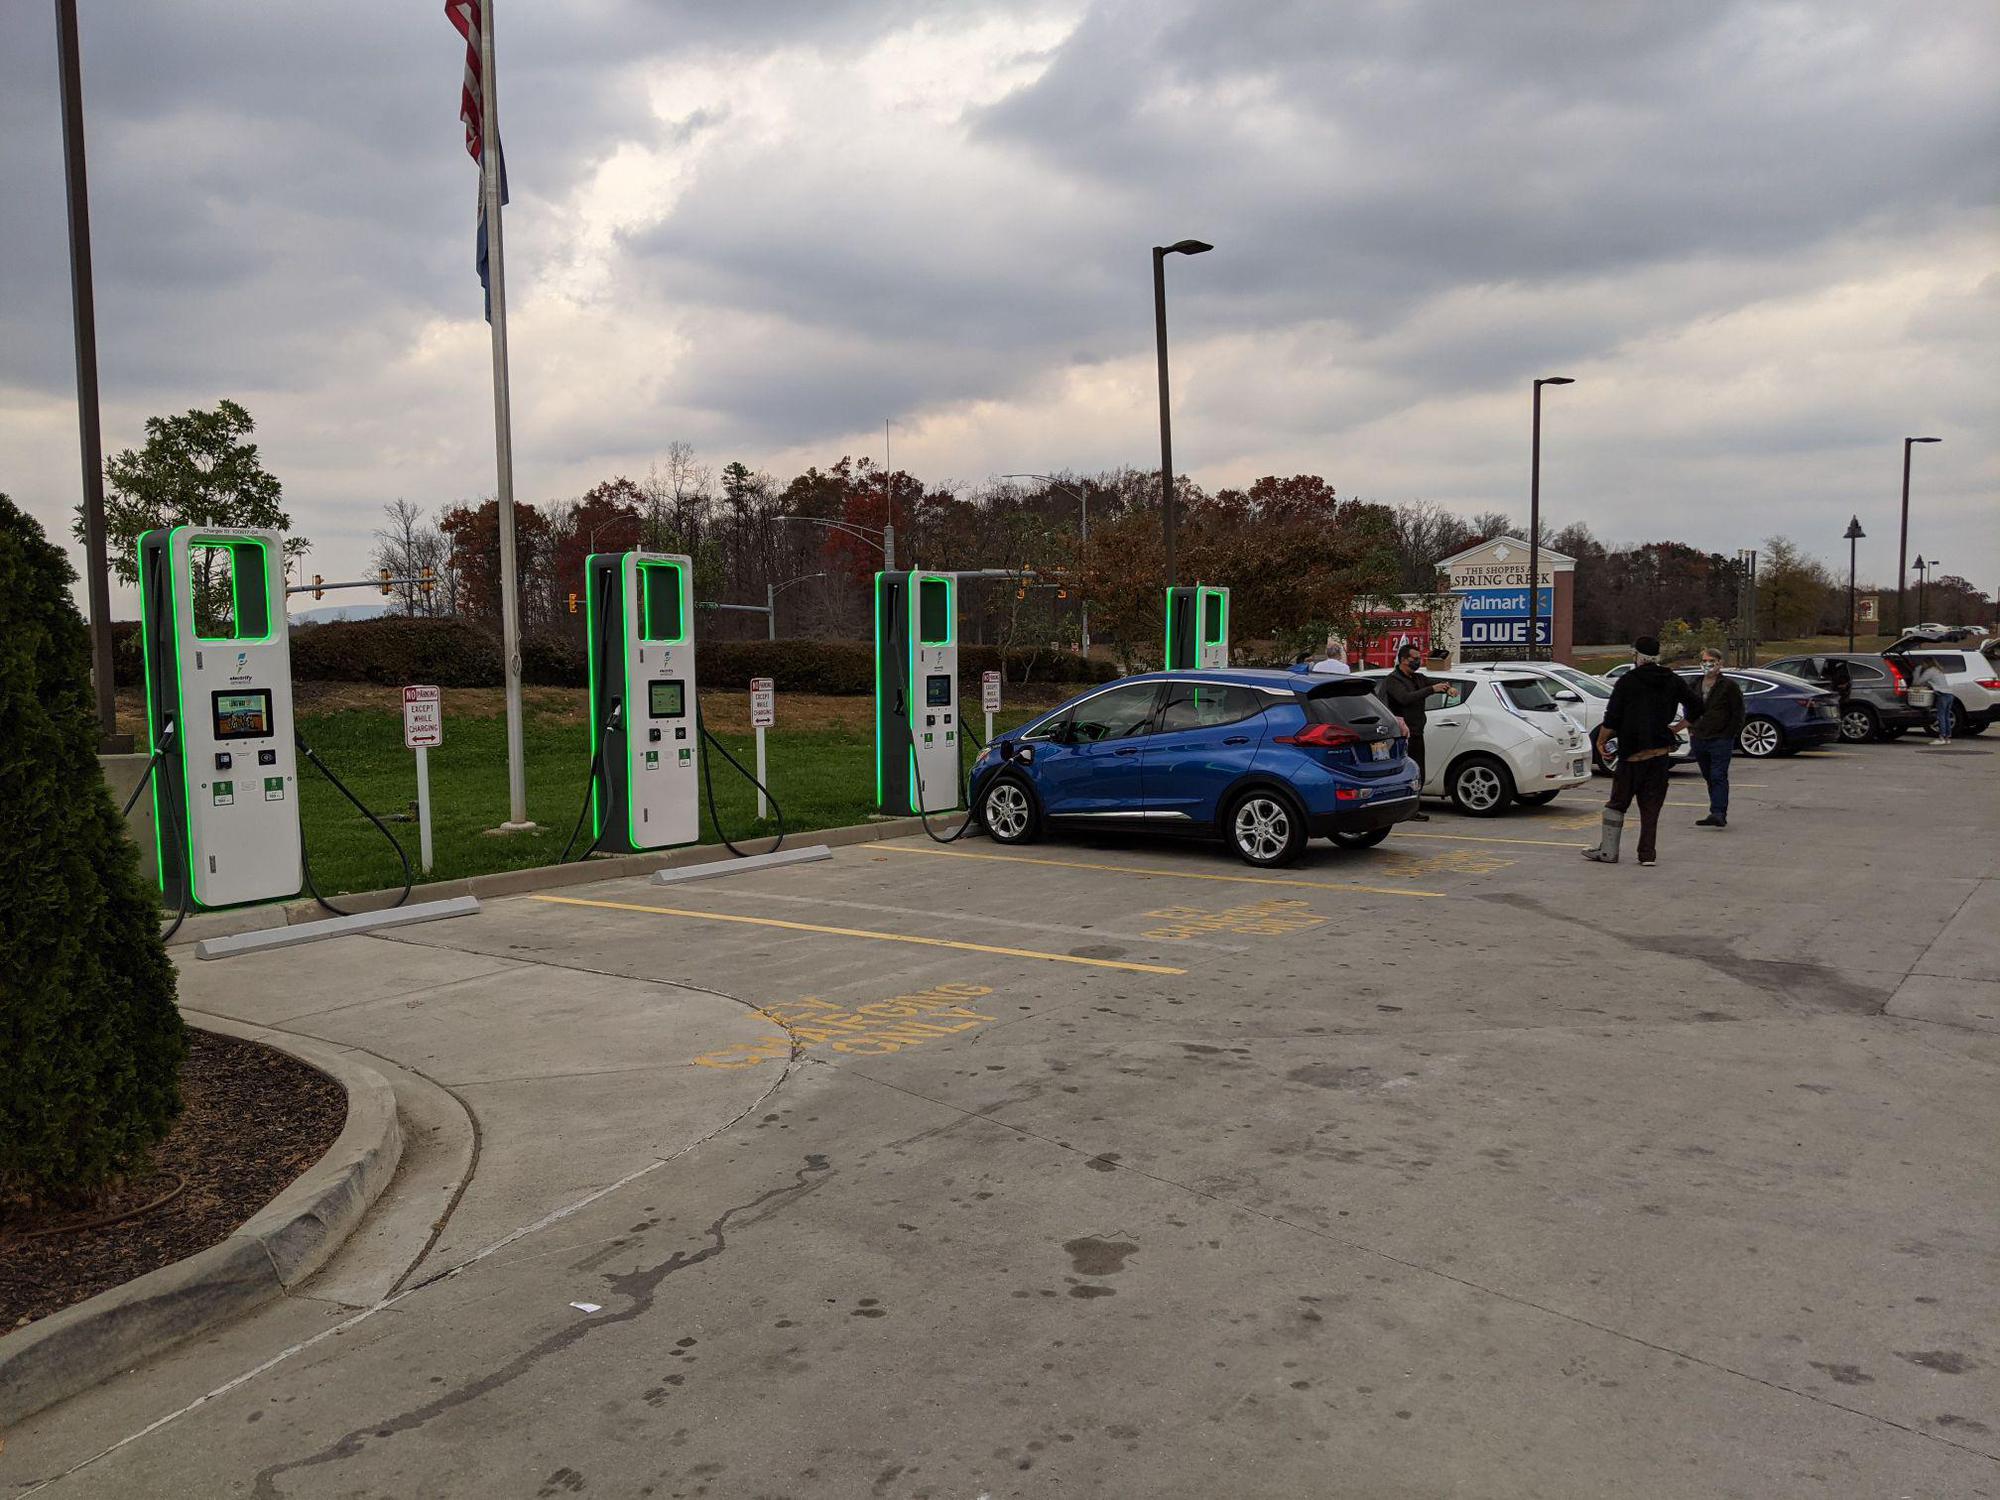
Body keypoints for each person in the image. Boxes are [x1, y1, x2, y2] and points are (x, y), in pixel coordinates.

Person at [1583, 635, 1703, 868]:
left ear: (1638, 656)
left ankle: (1609, 850)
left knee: (1617, 803)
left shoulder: (1628, 681)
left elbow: (1613, 716)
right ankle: (1647, 854)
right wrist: (1677, 727)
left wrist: (1601, 740)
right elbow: (1697, 705)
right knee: (1651, 807)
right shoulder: (1672, 680)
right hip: (1659, 755)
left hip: (1632, 754)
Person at [1376, 642, 1441, 821]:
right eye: (1415, 659)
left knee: (1419, 771)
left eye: (1419, 659)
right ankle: (1403, 808)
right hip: (1400, 734)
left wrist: (1445, 687)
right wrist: (1430, 690)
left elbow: (1434, 683)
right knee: (1402, 771)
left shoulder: (1418, 678)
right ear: (1404, 660)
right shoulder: (1393, 680)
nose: (1418, 662)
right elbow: (1405, 698)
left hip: (1417, 731)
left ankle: (1413, 807)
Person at [1686, 648, 1745, 829]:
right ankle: (1716, 810)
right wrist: (1692, 728)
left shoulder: (1728, 686)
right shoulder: (1695, 684)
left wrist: (1728, 734)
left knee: (1718, 775)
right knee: (1709, 775)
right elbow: (1690, 708)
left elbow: (1738, 713)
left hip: (1720, 739)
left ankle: (1718, 812)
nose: (1707, 664)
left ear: (1720, 663)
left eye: (1711, 661)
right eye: (1704, 660)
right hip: (1699, 737)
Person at [1915, 658, 1955, 743]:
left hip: (1942, 695)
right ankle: (1947, 738)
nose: (1923, 666)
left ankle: (1941, 738)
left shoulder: (1929, 671)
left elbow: (1918, 682)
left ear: (1926, 663)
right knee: (1946, 716)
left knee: (1941, 716)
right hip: (1950, 694)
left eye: (1923, 664)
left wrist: (1917, 671)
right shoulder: (1938, 670)